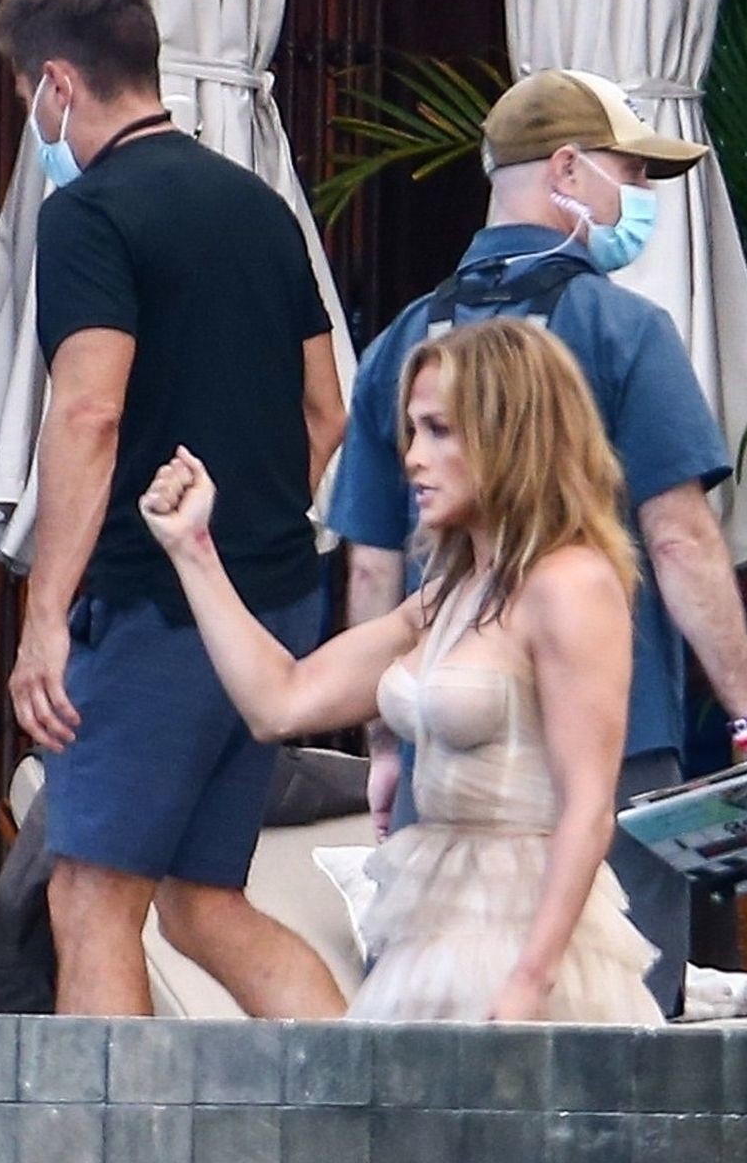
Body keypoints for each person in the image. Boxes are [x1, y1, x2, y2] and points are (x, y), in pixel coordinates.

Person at [326, 68, 747, 1016]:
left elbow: (373, 565)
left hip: (446, 753)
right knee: (614, 1023)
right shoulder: (624, 330)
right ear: (569, 170)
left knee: (437, 1020)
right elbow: (680, 539)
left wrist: (385, 745)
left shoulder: (407, 344)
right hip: (614, 749)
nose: (642, 198)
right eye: (633, 173)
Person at [0, 0, 347, 1018]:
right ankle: (363, 1095)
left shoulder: (89, 215)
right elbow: (326, 411)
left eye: (26, 98)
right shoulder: (262, 208)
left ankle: (115, 1119)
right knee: (202, 901)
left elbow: (88, 414)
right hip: (274, 606)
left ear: (60, 83)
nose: (32, 122)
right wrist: (252, 543)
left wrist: (45, 617)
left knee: (91, 900)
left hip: (152, 609)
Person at [146, 318, 663, 1022]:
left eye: (439, 430)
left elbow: (588, 808)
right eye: (412, 432)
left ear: (511, 432)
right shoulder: (450, 594)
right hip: (434, 922)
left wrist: (528, 981)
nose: (414, 458)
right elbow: (281, 701)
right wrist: (193, 551)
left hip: (528, 932)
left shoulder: (570, 584)